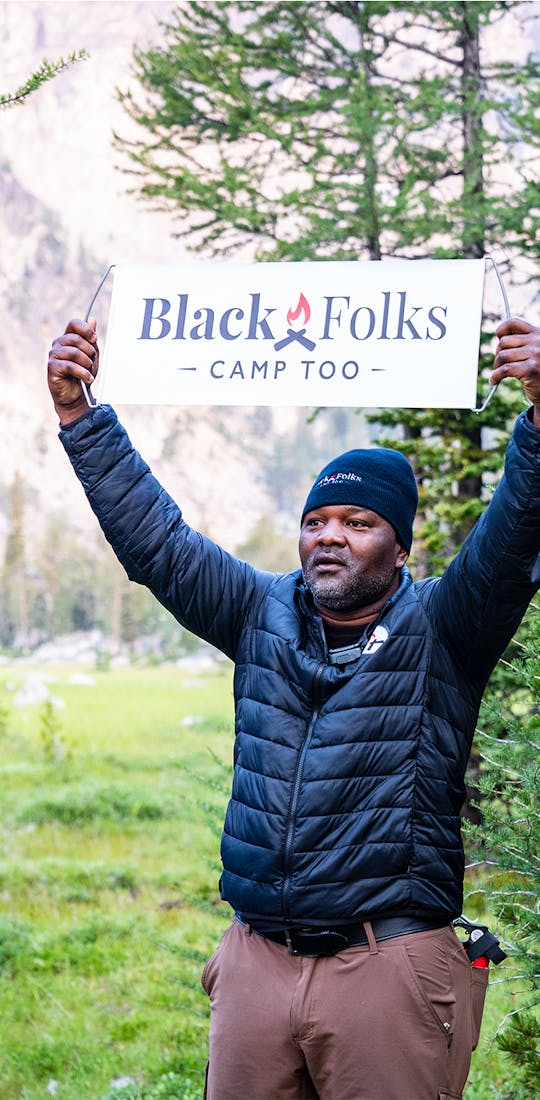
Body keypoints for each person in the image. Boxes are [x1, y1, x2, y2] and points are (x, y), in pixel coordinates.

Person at [47, 315, 540, 1100]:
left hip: (387, 964)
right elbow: (159, 544)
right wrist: (80, 417)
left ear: (401, 548)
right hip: (257, 964)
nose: (329, 538)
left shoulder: (446, 627)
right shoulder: (256, 611)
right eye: (315, 522)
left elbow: (512, 543)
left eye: (358, 522)